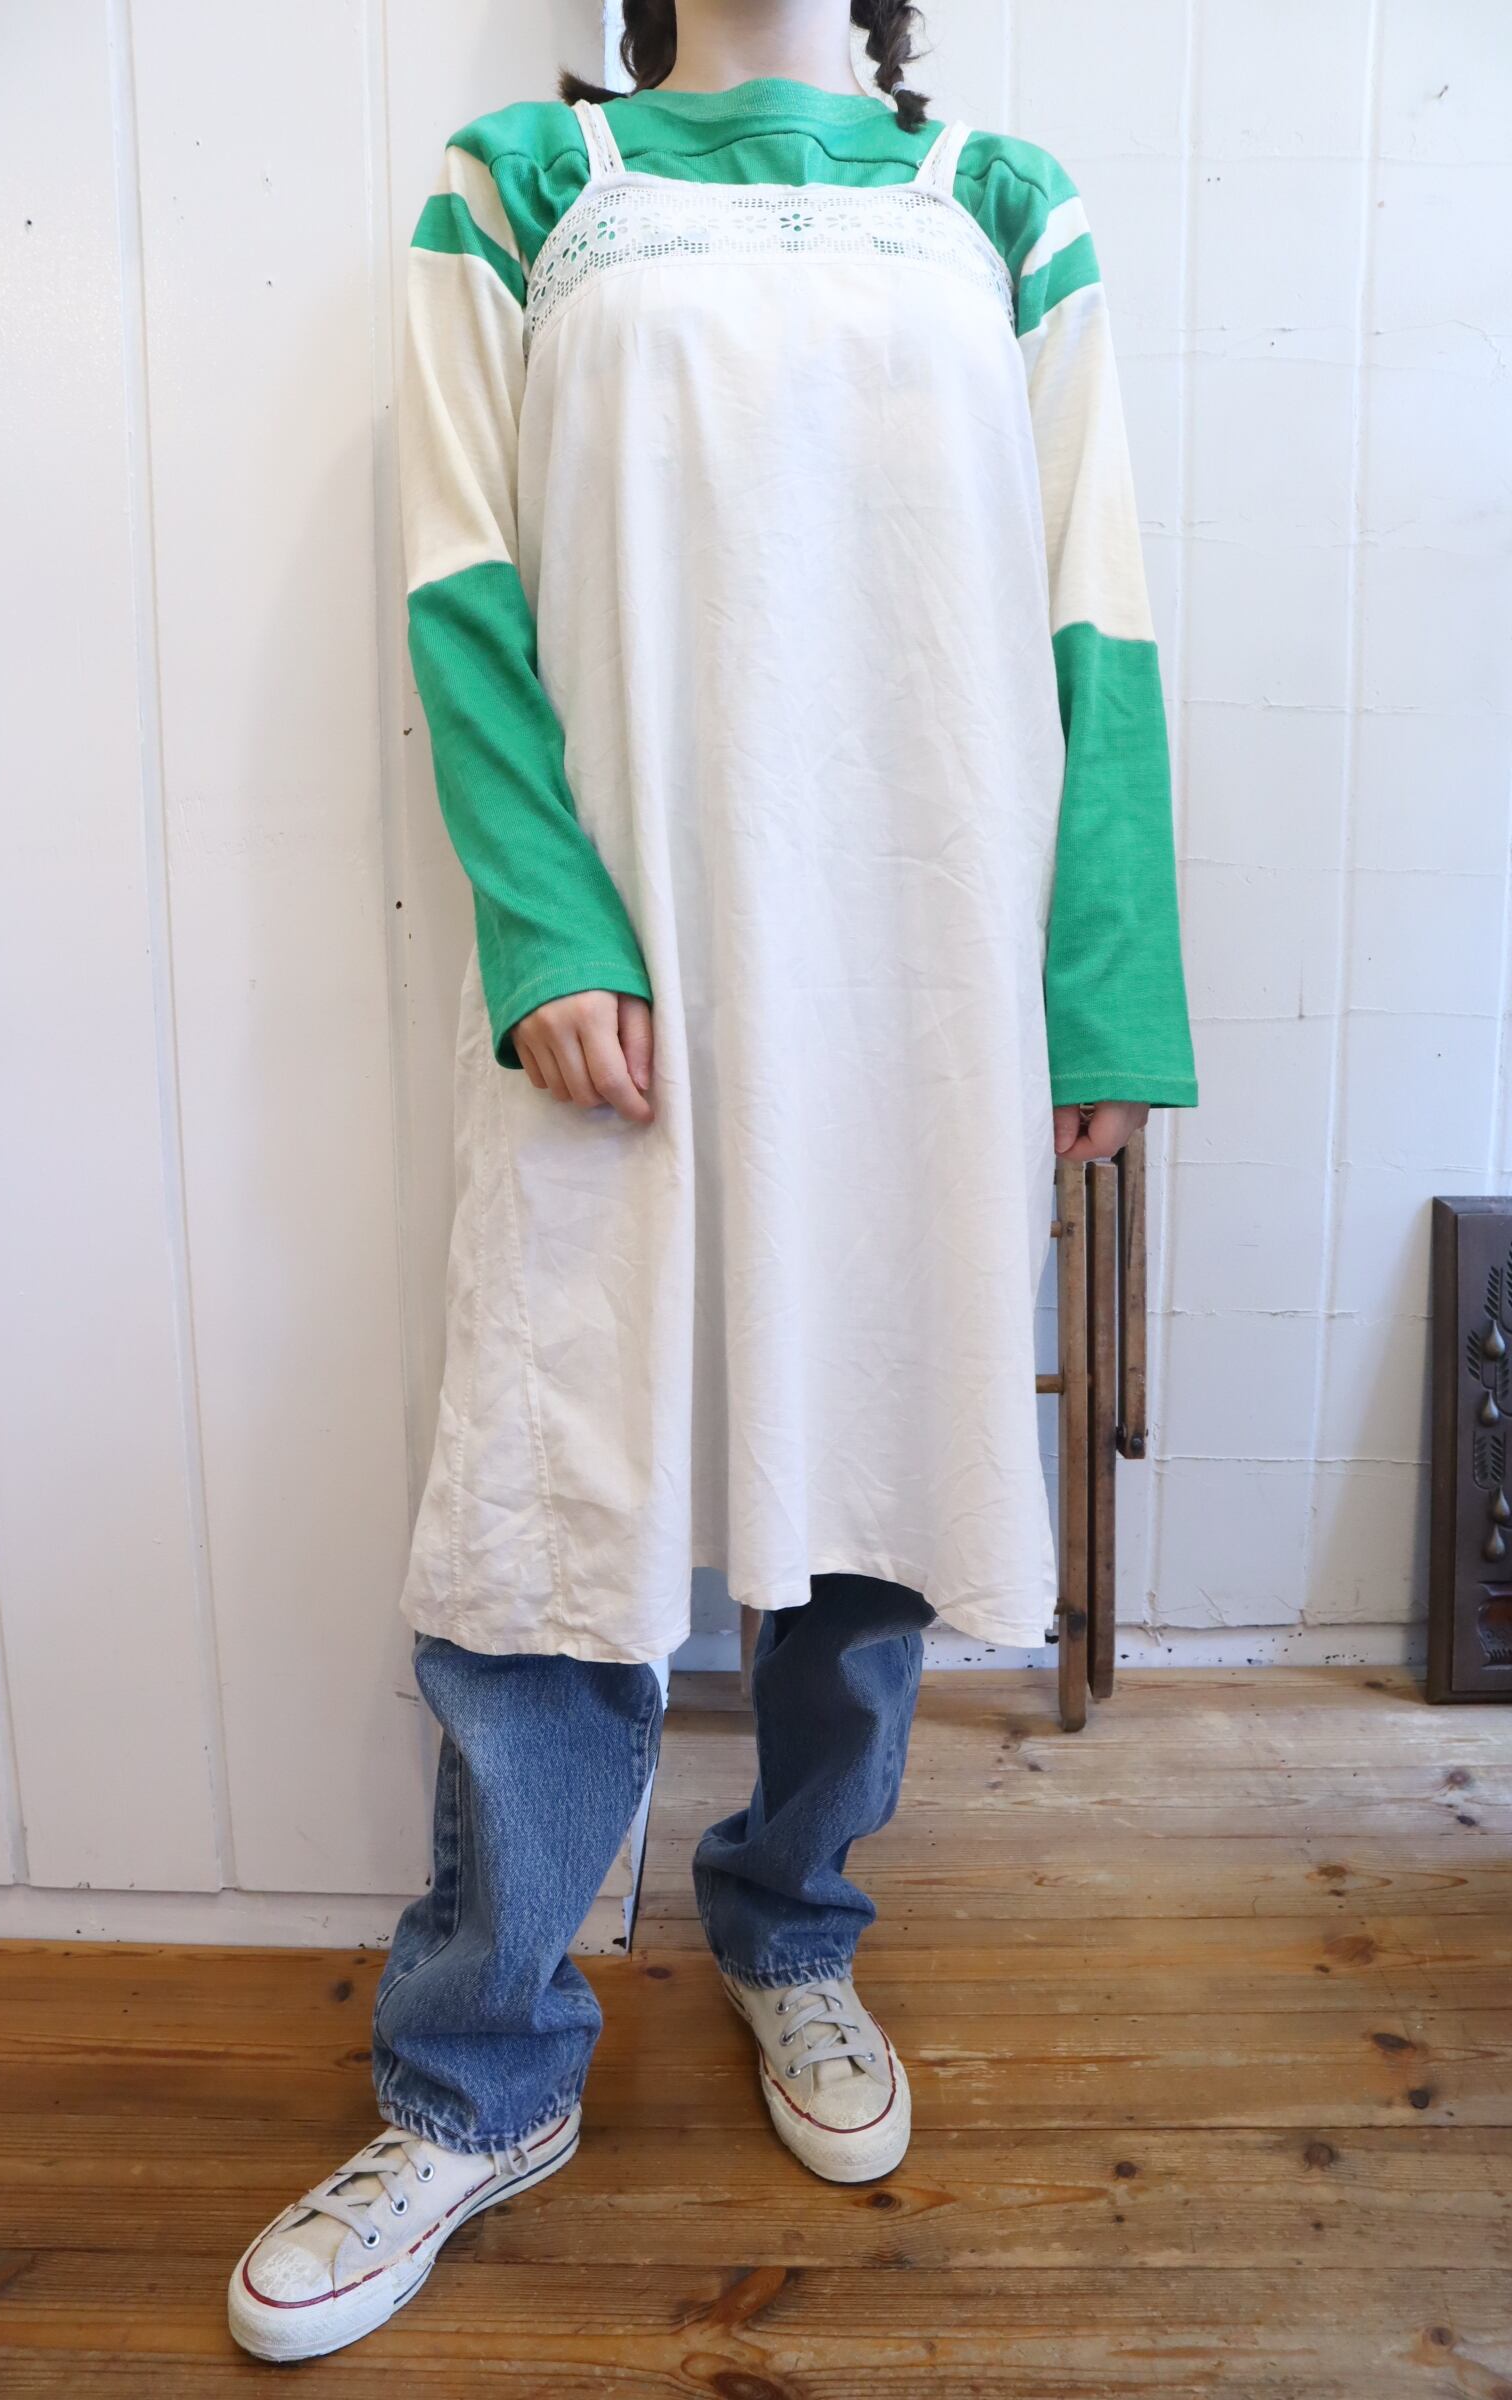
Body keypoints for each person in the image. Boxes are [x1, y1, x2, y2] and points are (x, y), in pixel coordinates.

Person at [227, 0, 1196, 2362]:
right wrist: (547, 929)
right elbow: (459, 577)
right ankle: (477, 2077)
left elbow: (1096, 612)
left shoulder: (1001, 207)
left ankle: (788, 1926)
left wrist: (1098, 996)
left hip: (915, 966)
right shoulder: (521, 189)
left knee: (862, 1473)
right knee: (546, 1515)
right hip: (630, 979)